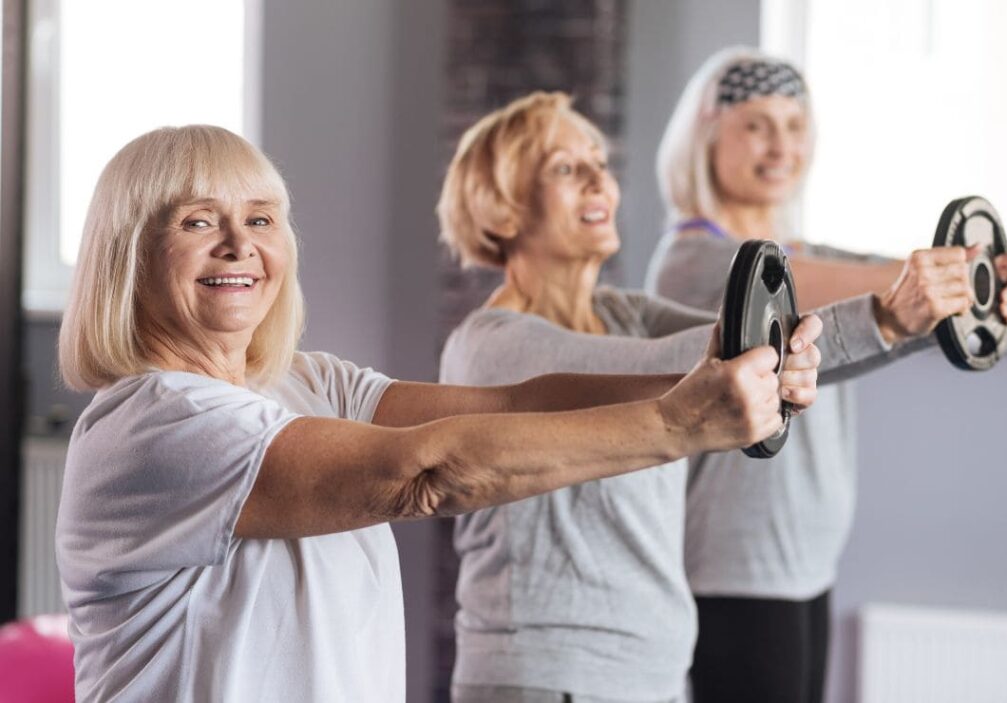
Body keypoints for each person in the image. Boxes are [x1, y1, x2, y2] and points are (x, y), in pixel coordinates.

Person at [54, 124, 794, 702]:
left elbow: (516, 402)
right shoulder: (152, 426)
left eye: (261, 218)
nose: (240, 245)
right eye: (196, 221)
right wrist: (680, 425)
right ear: (131, 254)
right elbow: (427, 472)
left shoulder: (307, 383)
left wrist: (712, 376)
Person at [433, 91, 1007, 703]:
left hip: (648, 674)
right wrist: (888, 317)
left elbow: (754, 343)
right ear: (500, 212)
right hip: (549, 679)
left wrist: (926, 322)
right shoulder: (493, 344)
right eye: (564, 168)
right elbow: (699, 364)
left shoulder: (622, 313)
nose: (598, 181)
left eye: (600, 164)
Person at [648, 47, 1007, 702]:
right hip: (737, 565)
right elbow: (901, 286)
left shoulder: (800, 252)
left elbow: (921, 288)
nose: (782, 145)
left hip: (807, 558)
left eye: (795, 125)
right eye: (757, 124)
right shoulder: (698, 261)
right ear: (707, 136)